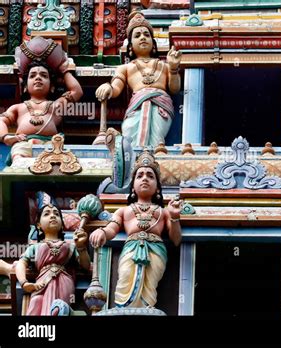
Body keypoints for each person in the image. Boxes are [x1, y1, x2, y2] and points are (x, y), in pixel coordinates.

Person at [89, 150, 182, 308]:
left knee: (150, 286)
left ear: (157, 188)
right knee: (125, 277)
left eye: (150, 176)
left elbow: (176, 239)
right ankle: (125, 310)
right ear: (133, 187)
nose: (145, 178)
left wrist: (174, 217)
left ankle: (146, 309)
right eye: (140, 176)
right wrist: (102, 231)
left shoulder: (163, 212)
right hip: (131, 249)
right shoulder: (124, 211)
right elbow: (112, 228)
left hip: (155, 250)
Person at [95, 11, 181, 148]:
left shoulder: (163, 66)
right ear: (130, 47)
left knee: (157, 136)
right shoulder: (126, 68)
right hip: (137, 105)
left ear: (153, 44)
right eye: (137, 35)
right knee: (129, 131)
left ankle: (151, 160)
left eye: (146, 35)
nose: (143, 37)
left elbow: (175, 88)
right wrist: (108, 87)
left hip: (160, 104)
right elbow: (116, 88)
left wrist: (174, 68)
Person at [0, 61, 83, 163]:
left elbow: (76, 91)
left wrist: (65, 71)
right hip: (23, 143)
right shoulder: (18, 108)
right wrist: (6, 137)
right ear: (25, 87)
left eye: (44, 75)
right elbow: (1, 120)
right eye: (32, 76)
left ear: (52, 87)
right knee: (19, 159)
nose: (38, 78)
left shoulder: (56, 106)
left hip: (51, 145)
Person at [14, 204, 90, 315]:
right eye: (47, 214)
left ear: (62, 225)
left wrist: (81, 246)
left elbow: (86, 266)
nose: (53, 216)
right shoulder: (35, 247)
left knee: (59, 308)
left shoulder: (70, 246)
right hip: (42, 283)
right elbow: (21, 263)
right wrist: (24, 283)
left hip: (64, 282)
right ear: (39, 225)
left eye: (56, 214)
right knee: (36, 304)